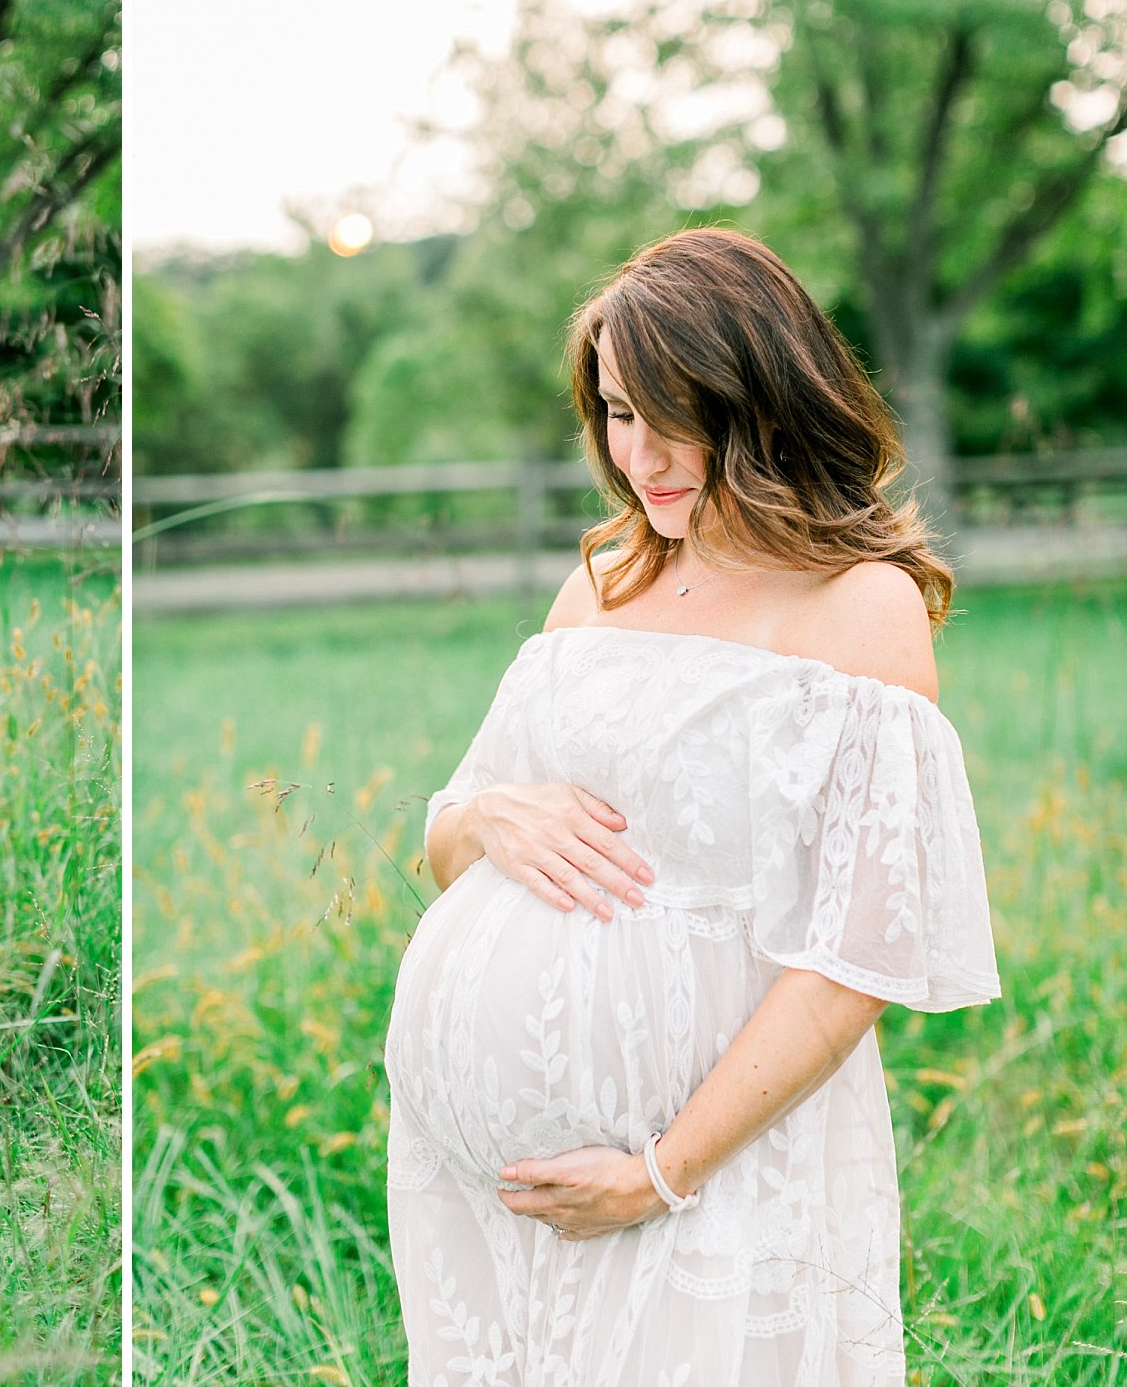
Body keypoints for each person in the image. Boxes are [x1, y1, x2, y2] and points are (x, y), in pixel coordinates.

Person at [385, 228, 1001, 1384]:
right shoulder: (602, 580)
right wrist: (487, 820)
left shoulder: (857, 608)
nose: (642, 454)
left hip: (708, 1176)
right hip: (483, 1198)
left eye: (678, 415)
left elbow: (855, 955)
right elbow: (448, 838)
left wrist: (660, 1169)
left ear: (764, 402)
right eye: (618, 410)